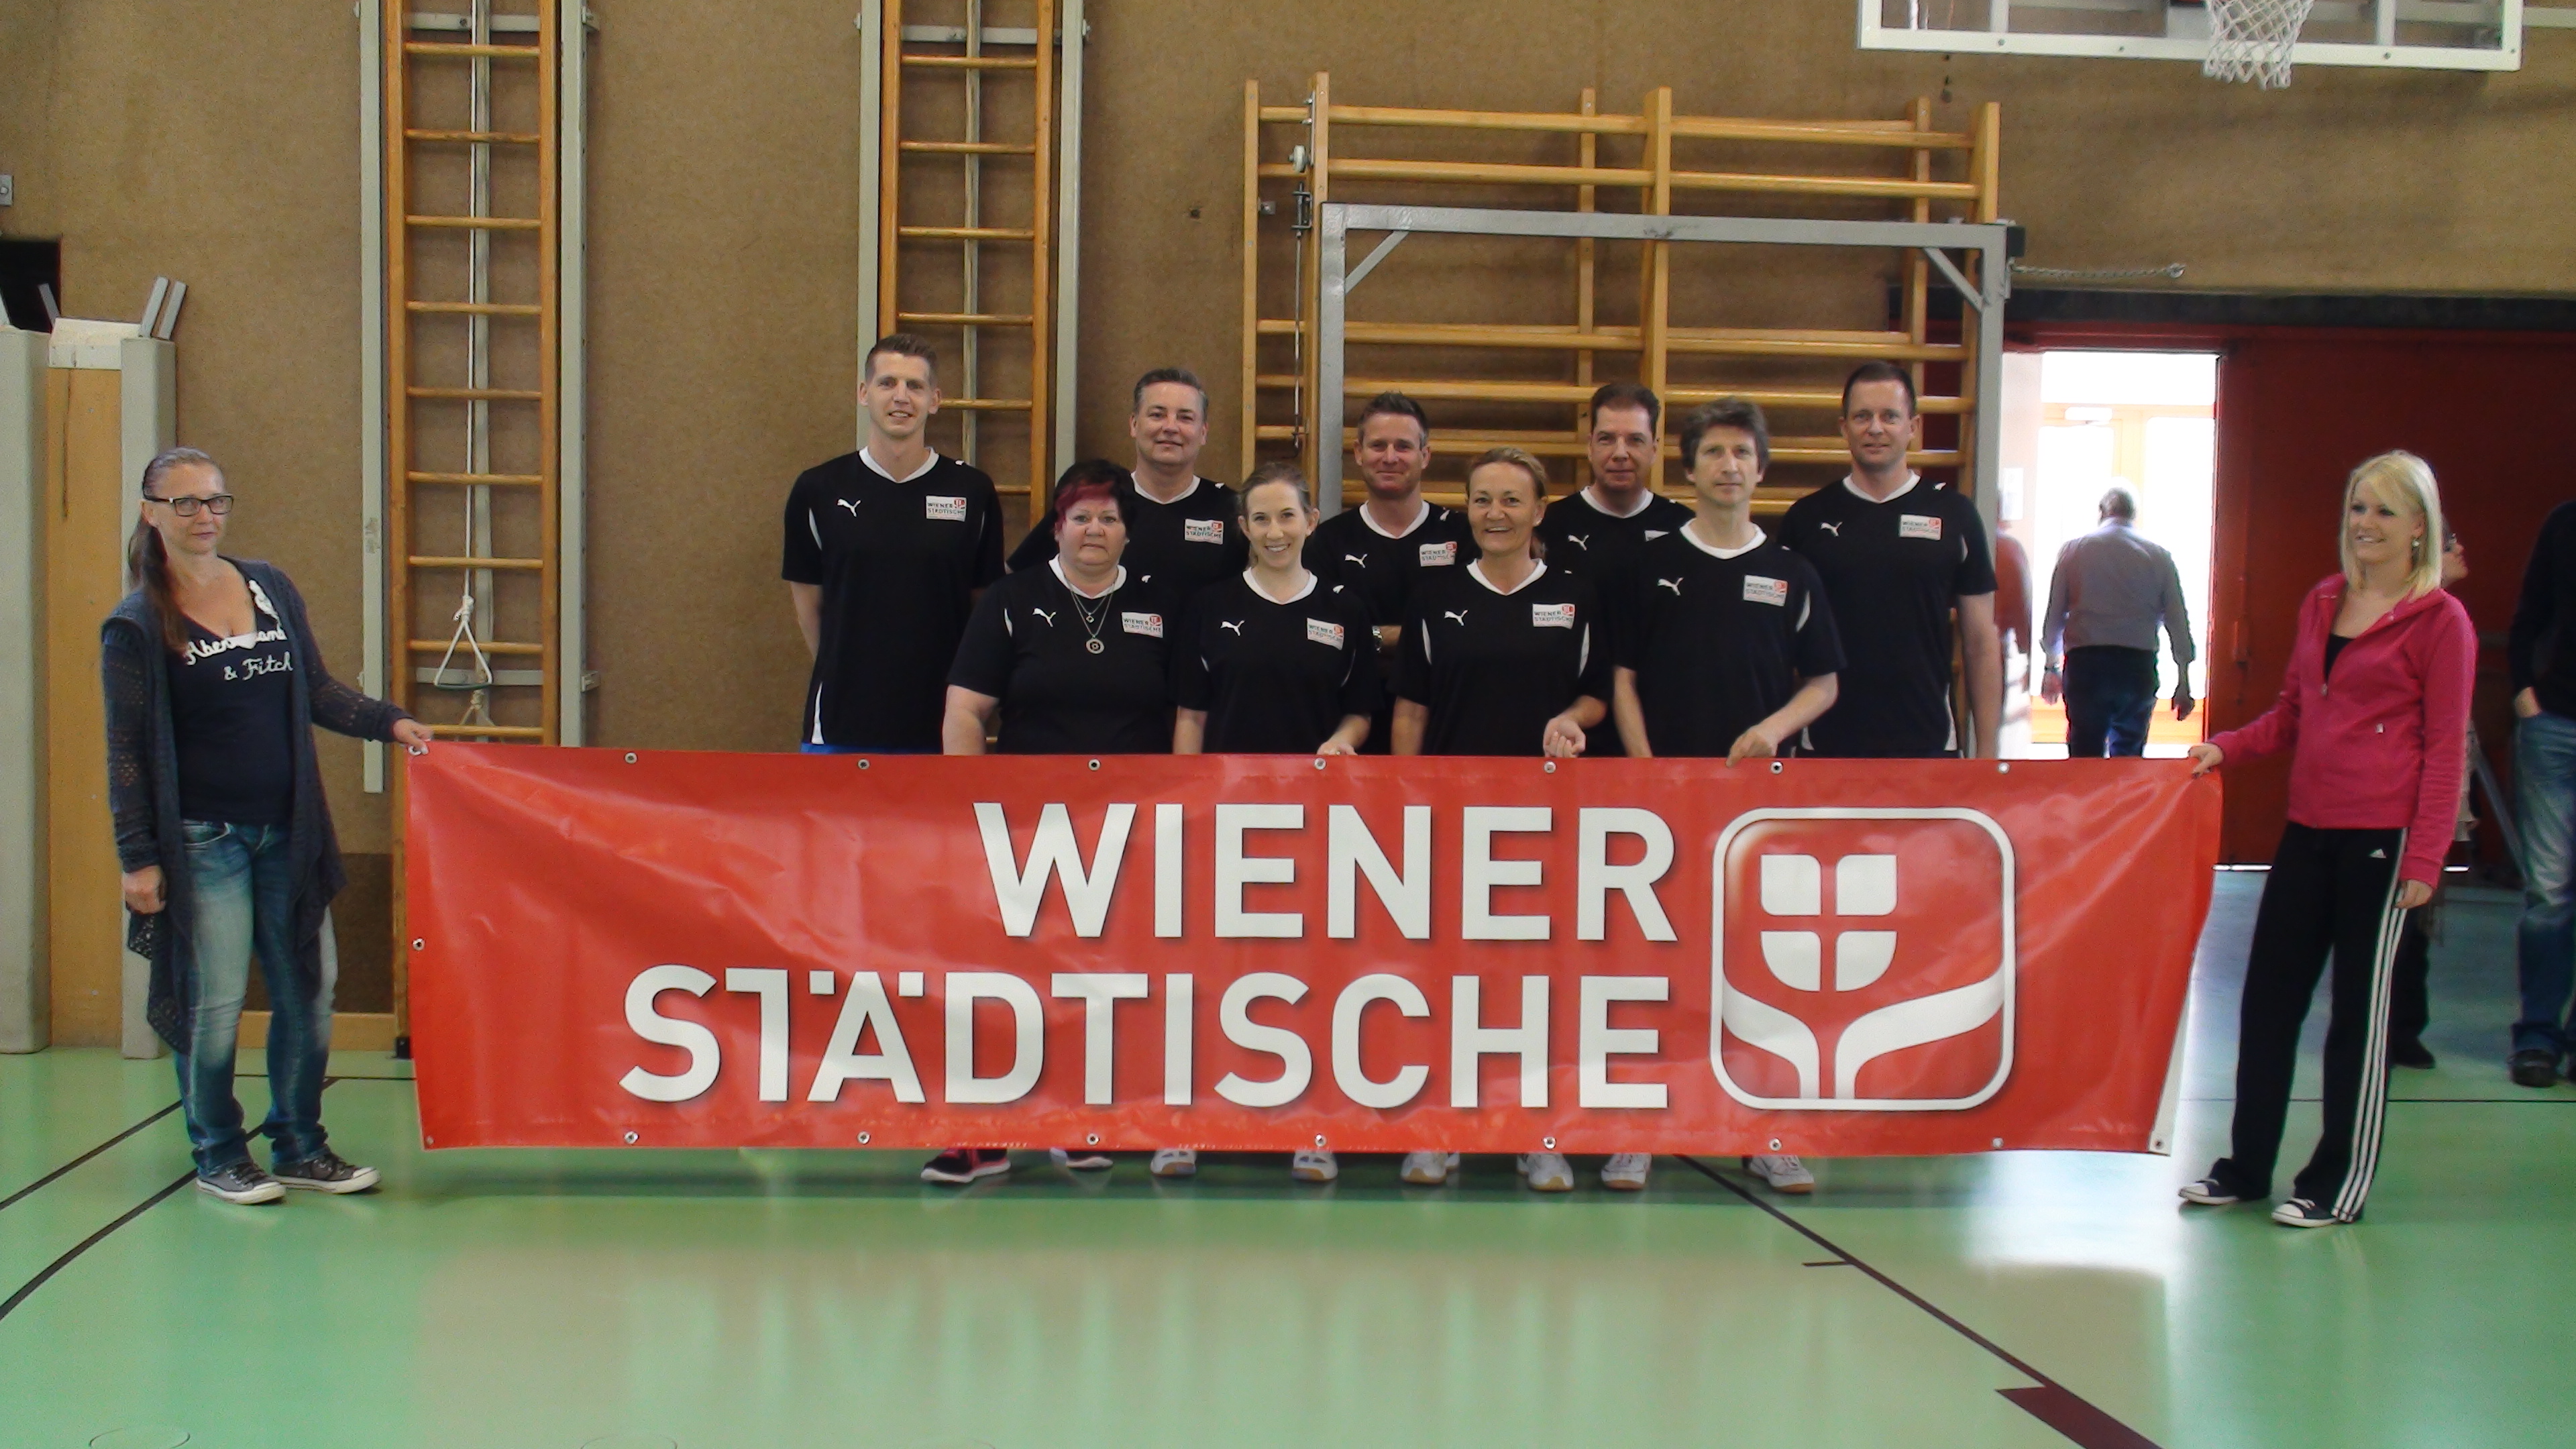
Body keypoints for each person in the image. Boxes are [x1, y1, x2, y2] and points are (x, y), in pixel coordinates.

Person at [103, 447, 434, 1205]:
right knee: (215, 1005)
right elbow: (125, 752)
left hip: (289, 833)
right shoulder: (135, 625)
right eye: (185, 503)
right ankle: (219, 1152)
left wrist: (390, 722)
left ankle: (299, 1145)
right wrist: (138, 858)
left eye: (216, 500)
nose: (204, 516)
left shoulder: (269, 587)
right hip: (202, 843)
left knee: (310, 992)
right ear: (151, 512)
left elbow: (315, 689)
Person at [2180, 451, 2474, 1228]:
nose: (2365, 524)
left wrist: (2426, 858)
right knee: (2268, 1004)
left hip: (2382, 841)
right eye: (2357, 508)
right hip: (2308, 831)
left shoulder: (2442, 621)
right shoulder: (2322, 601)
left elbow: (2446, 749)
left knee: (2358, 1021)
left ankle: (2335, 1184)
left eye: (2384, 511)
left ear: (2420, 527)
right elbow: (2291, 713)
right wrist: (2226, 748)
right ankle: (2246, 1168)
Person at [1611, 398, 1843, 1194]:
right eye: (1713, 452)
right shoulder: (1649, 568)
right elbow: (1623, 680)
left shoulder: (1792, 573)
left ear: (1761, 469)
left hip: (1758, 810)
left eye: (1742, 452)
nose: (1729, 465)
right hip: (1665, 807)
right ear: (1689, 468)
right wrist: (1647, 771)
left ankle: (1765, 1131)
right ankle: (1641, 1129)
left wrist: (1772, 730)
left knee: (1757, 970)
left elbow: (1823, 684)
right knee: (1656, 967)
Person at [928, 460, 1181, 1185]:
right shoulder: (1014, 600)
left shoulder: (1162, 605)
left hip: (1130, 828)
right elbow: (965, 711)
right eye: (1080, 517)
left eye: (1109, 518)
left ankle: (1076, 1121)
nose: (1094, 529)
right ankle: (981, 1132)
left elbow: (1188, 717)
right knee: (1004, 976)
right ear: (1058, 527)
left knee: (1098, 979)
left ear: (1128, 531)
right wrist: (975, 811)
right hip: (1025, 827)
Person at [1393, 446, 1612, 1193]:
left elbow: (1596, 696)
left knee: (1537, 981)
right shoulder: (1435, 597)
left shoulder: (1575, 598)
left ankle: (1537, 1133)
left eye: (1512, 500)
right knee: (1449, 979)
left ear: (1540, 511)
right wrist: (1408, 802)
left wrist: (1572, 719)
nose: (1495, 514)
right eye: (1482, 500)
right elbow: (1411, 709)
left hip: (1545, 823)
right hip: (1452, 821)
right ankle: (1441, 1129)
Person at [1163, 462, 1376, 1184]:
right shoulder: (1210, 606)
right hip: (1224, 818)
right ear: (1242, 528)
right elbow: (1191, 716)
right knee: (1212, 969)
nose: (1275, 531)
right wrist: (1187, 804)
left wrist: (1343, 739)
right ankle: (1188, 1123)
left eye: (1288, 516)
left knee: (1309, 971)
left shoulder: (1345, 609)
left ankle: (1311, 1125)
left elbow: (1361, 710)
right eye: (1261, 518)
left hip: (1317, 824)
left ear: (1311, 522)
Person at [784, 333, 1006, 752]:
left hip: (941, 724)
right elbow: (809, 606)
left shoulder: (972, 491)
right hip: (841, 724)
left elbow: (984, 608)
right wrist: (848, 668)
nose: (901, 397)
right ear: (864, 393)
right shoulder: (818, 489)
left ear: (935, 400)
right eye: (887, 383)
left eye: (915, 386)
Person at [1779, 361, 2002, 763]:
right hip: (1826, 746)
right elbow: (1778, 645)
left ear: (1913, 426)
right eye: (1862, 417)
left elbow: (1981, 643)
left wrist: (1988, 752)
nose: (1875, 428)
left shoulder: (1955, 515)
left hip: (1927, 743)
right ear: (1844, 427)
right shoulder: (1806, 519)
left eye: (1889, 416)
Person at [1305, 391, 1470, 753]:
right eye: (1378, 445)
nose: (1390, 458)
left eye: (1404, 447)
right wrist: (1410, 638)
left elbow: (1469, 636)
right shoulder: (1327, 542)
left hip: (1444, 724)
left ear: (1425, 455)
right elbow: (1324, 641)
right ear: (1359, 453)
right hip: (1347, 727)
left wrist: (1370, 637)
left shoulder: (1463, 536)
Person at [1007, 368, 1246, 598]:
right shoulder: (1092, 502)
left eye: (1185, 418)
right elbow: (1015, 579)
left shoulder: (1232, 509)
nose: (1171, 427)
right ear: (1134, 424)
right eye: (1157, 415)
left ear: (1203, 432)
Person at [2388, 529, 2474, 1071]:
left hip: (2440, 790)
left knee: (2420, 917)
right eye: (2451, 543)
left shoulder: (2451, 622)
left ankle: (2405, 1023)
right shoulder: (2409, 621)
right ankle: (2392, 1025)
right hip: (2406, 793)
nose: (2461, 551)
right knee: (2401, 915)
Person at [2039, 486, 2196, 758]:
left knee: (2084, 757)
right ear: (2134, 514)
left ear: (2101, 512)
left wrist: (2050, 667)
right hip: (2137, 666)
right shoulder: (2159, 556)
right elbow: (2178, 623)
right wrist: (2184, 682)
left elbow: (2054, 617)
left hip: (2086, 664)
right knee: (2129, 757)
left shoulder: (2074, 551)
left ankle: (2087, 786)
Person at [2509, 500, 2576, 1087]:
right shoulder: (2563, 523)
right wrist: (2523, 692)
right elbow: (2530, 612)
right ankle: (2538, 1035)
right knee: (2548, 892)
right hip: (2553, 723)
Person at [1536, 381, 1695, 591]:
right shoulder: (1549, 526)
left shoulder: (1684, 526)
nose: (1620, 453)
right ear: (1590, 447)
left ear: (1654, 450)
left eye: (1635, 440)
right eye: (1607, 439)